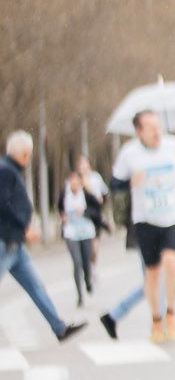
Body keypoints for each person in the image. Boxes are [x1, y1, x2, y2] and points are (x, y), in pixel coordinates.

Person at [110, 110, 175, 342]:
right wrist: (129, 181)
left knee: (173, 264)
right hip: (145, 219)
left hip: (172, 215)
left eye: (159, 126)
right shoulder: (129, 154)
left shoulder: (173, 145)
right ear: (139, 131)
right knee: (153, 274)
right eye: (150, 128)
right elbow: (114, 182)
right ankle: (156, 321)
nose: (157, 132)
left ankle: (171, 316)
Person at [0, 132, 87, 344]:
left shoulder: (9, 170)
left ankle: (59, 327)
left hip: (15, 245)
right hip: (6, 241)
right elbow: (2, 203)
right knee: (34, 286)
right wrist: (24, 227)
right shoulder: (5, 170)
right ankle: (59, 327)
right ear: (24, 153)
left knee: (35, 286)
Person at [60, 169, 97, 306]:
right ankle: (80, 295)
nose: (74, 183)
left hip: (86, 232)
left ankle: (87, 280)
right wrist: (62, 217)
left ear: (80, 182)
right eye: (71, 181)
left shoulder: (86, 195)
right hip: (71, 232)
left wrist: (85, 212)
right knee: (77, 262)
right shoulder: (65, 195)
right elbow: (60, 208)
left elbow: (96, 210)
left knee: (86, 262)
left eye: (76, 180)